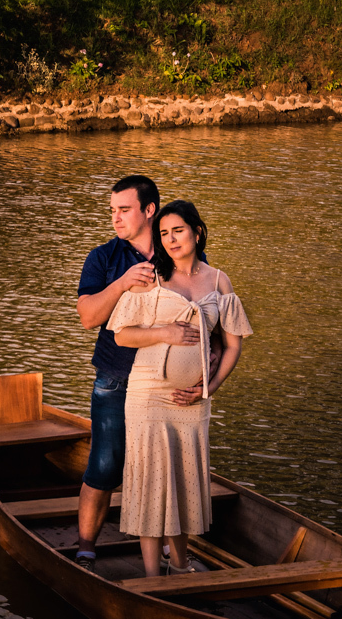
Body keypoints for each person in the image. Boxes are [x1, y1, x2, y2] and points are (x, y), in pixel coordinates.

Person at [75, 177, 219, 572]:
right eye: (112, 210)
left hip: (172, 387)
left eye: (124, 209)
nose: (115, 218)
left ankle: (174, 550)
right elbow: (89, 317)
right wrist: (123, 283)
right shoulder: (104, 258)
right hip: (118, 379)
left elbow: (209, 311)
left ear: (149, 210)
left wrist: (212, 360)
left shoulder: (176, 247)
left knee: (170, 466)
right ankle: (86, 548)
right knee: (106, 465)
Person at [107, 200, 252, 576]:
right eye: (164, 233)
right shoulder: (151, 277)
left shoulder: (220, 281)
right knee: (152, 481)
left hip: (193, 401)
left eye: (179, 231)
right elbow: (122, 334)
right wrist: (165, 332)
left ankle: (183, 564)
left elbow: (233, 344)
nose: (170, 240)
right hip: (147, 394)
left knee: (187, 478)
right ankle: (155, 574)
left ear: (197, 232)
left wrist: (209, 389)